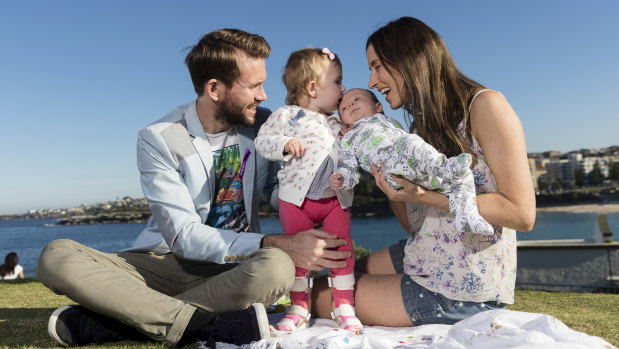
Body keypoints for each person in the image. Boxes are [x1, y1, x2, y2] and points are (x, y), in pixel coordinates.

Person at [37, 29, 351, 347]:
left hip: (236, 268)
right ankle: (199, 324)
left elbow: (276, 186)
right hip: (163, 263)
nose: (263, 95)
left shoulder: (264, 123)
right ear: (214, 88)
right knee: (56, 256)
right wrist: (276, 240)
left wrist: (318, 191)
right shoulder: (159, 138)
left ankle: (122, 324)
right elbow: (184, 236)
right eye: (253, 86)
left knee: (278, 267)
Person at [312, 17, 536, 328]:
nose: (373, 81)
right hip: (424, 253)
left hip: (460, 287)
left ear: (409, 58)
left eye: (377, 66)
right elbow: (412, 224)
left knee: (320, 292)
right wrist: (385, 172)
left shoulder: (485, 105)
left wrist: (426, 195)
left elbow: (521, 213)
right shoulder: (418, 130)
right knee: (339, 271)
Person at [255, 48, 362, 332]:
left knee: (342, 250)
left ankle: (344, 305)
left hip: (335, 199)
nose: (343, 88)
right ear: (313, 88)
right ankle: (298, 307)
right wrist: (284, 143)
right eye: (338, 82)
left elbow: (359, 144)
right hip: (295, 200)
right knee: (298, 258)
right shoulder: (286, 115)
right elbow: (262, 141)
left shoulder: (339, 119)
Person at [330, 88, 494, 235]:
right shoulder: (348, 139)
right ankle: (444, 167)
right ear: (344, 121)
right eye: (344, 107)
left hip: (413, 167)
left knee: (459, 179)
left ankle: (467, 217)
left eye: (357, 99)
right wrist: (343, 178)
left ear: (378, 107)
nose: (350, 103)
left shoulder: (389, 122)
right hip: (392, 173)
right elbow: (349, 165)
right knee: (411, 142)